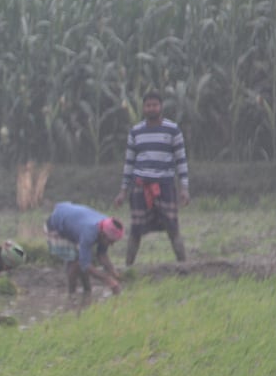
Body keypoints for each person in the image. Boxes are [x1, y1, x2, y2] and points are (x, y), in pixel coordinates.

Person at [114, 90, 190, 265]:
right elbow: (129, 163)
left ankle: (184, 266)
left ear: (161, 107)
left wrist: (184, 188)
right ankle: (128, 267)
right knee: (136, 229)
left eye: (155, 105)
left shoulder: (173, 130)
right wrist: (123, 191)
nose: (151, 108)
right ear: (143, 108)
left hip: (165, 186)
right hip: (141, 187)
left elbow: (181, 161)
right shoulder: (135, 132)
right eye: (148, 105)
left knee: (172, 227)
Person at [45, 202, 124, 295]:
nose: (112, 245)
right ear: (102, 235)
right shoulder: (89, 233)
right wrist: (108, 280)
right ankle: (72, 295)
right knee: (74, 261)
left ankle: (87, 292)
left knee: (82, 258)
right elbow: (85, 264)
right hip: (57, 226)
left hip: (74, 222)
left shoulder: (105, 226)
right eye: (111, 241)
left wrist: (113, 271)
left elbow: (102, 254)